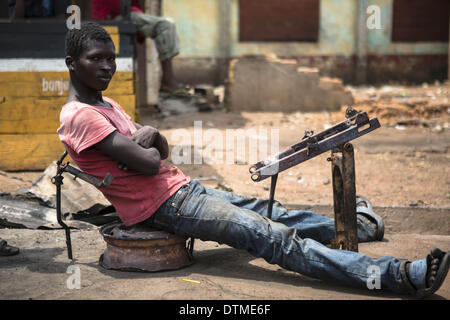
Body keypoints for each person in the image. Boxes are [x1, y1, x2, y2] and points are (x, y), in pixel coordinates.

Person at [58, 22, 449, 298]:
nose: (108, 67)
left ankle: (362, 228)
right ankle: (396, 276)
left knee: (271, 210)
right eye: (97, 59)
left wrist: (154, 138)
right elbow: (147, 162)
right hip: (163, 206)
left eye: (111, 58)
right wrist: (149, 143)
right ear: (72, 63)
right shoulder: (78, 115)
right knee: (272, 237)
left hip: (181, 188)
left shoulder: (107, 104)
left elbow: (158, 149)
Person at [91, 0, 186, 96]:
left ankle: (168, 80)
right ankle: (168, 80)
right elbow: (118, 7)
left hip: (123, 15)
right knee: (165, 26)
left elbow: (132, 5)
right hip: (112, 17)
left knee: (167, 25)